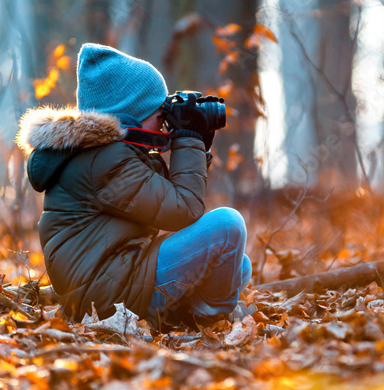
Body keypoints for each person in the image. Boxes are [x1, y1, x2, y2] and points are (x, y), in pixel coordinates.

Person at [16, 43, 252, 329]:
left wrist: (198, 144)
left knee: (239, 265)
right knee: (228, 225)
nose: (165, 123)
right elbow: (184, 209)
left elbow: (164, 199)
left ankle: (187, 316)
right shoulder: (102, 160)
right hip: (107, 297)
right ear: (133, 115)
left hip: (115, 280)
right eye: (160, 112)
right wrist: (188, 137)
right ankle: (211, 322)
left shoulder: (103, 154)